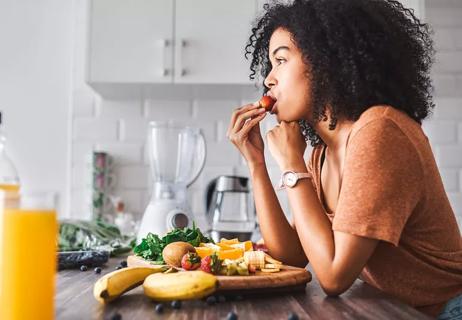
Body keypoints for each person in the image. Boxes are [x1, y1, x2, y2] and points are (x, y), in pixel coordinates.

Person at [226, 0, 462, 318]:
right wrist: (257, 164)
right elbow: (292, 256)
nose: (269, 79)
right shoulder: (323, 152)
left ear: (326, 62)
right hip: (397, 310)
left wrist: (293, 166)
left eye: (280, 60)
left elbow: (334, 276)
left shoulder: (379, 131)